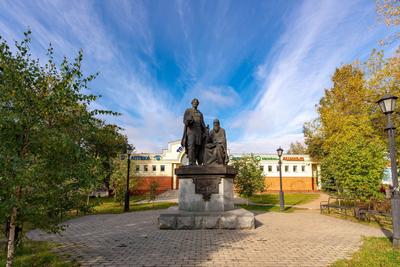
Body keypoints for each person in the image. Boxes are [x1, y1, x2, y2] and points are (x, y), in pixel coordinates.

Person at [181, 98, 207, 165]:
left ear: (198, 104)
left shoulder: (200, 114)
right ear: (192, 103)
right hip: (191, 131)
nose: (195, 103)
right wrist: (189, 121)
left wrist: (205, 130)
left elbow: (202, 123)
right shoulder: (188, 111)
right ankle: (191, 162)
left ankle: (194, 160)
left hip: (198, 132)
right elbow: (184, 121)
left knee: (197, 146)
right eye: (194, 102)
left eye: (196, 102)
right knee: (191, 146)